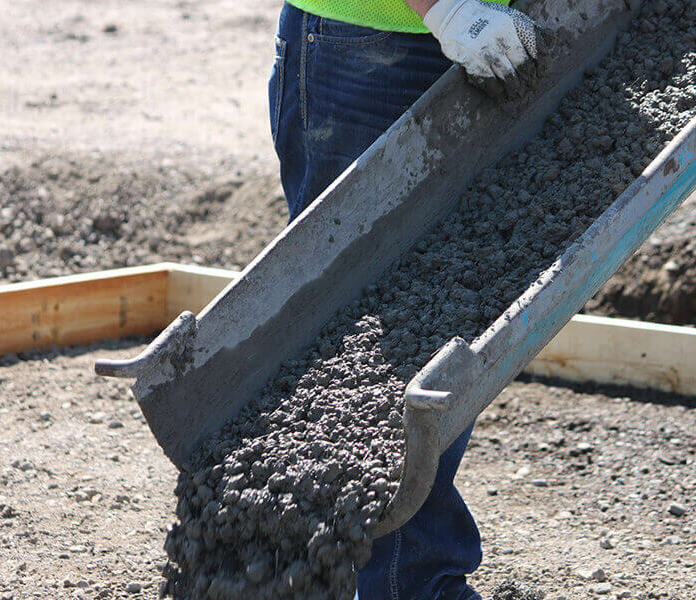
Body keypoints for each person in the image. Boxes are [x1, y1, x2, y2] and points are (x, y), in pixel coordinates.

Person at [267, 1, 549, 598]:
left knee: (450, 315)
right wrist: (445, 9)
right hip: (382, 37)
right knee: (372, 340)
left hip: (501, 28)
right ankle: (399, 586)